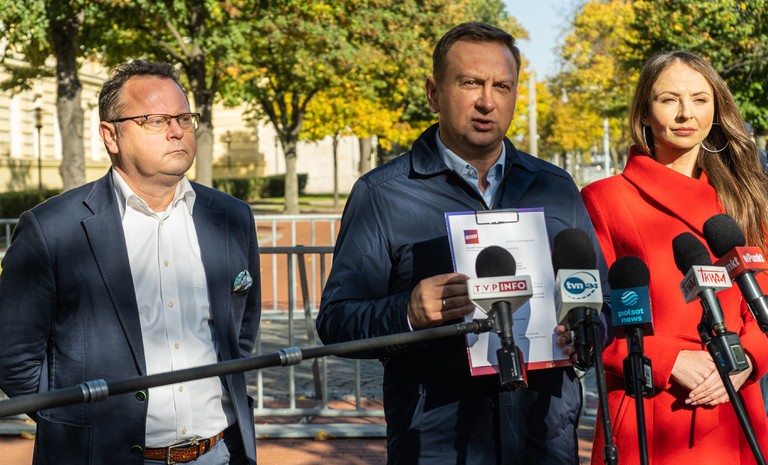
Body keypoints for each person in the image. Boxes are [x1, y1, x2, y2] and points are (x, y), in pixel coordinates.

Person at [316, 22, 608, 465]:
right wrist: (407, 313)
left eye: (502, 86)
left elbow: (600, 301)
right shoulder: (381, 195)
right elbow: (336, 323)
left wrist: (586, 331)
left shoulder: (556, 187)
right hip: (438, 446)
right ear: (434, 93)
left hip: (544, 441)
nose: (487, 101)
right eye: (471, 83)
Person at [0, 60, 261, 465]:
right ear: (111, 135)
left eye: (184, 118)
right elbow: (13, 357)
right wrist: (77, 423)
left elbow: (240, 333)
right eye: (156, 121)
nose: (177, 131)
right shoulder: (53, 229)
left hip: (220, 452)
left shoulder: (231, 217)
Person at [581, 50, 768, 464]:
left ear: (716, 110)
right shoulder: (604, 199)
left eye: (700, 99)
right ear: (644, 113)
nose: (686, 113)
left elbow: (763, 305)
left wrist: (748, 359)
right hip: (651, 410)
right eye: (669, 99)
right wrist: (668, 359)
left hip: (736, 406)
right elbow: (588, 322)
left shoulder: (744, 198)